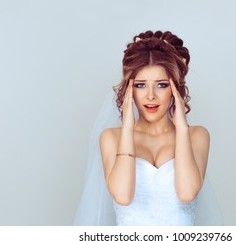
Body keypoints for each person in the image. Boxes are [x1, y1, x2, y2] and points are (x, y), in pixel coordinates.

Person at [74, 30, 224, 226]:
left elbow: (187, 193)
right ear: (129, 89)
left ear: (175, 89)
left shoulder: (197, 135)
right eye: (140, 85)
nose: (150, 95)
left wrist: (181, 130)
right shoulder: (111, 138)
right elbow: (123, 196)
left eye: (161, 85)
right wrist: (127, 128)